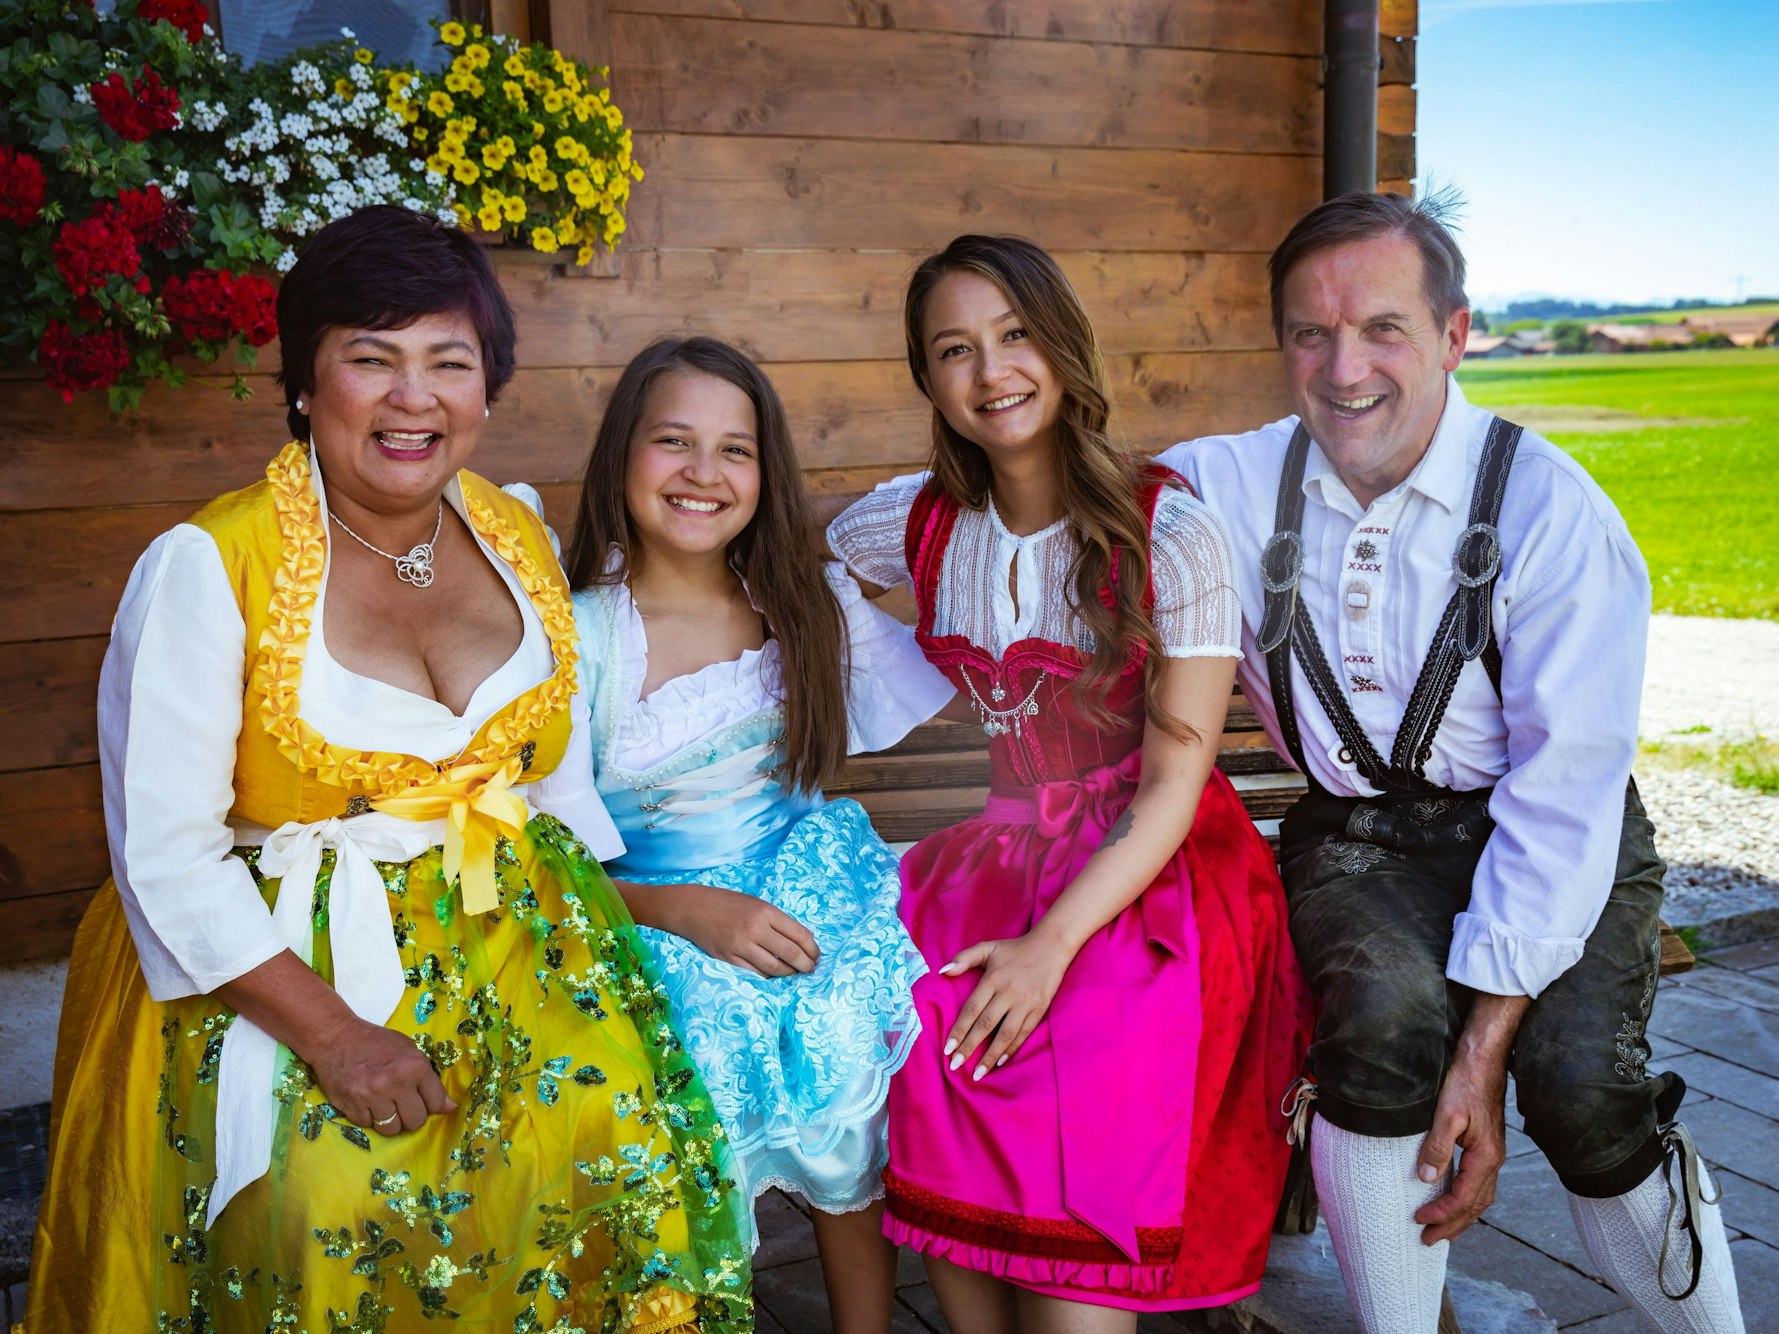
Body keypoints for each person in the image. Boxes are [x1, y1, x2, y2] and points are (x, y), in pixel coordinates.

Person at [24, 206, 751, 1333]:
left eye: (449, 362)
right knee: (337, 1201)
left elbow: (548, 788)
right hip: (281, 959)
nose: (415, 397)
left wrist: (626, 925)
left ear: (487, 387)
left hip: (509, 936)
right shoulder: (211, 564)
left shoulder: (513, 528)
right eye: (372, 358)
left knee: (612, 1150)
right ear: (306, 384)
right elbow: (166, 859)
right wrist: (335, 1036)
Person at [1157, 190, 1745, 1333]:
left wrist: (1483, 1052)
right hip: (1361, 837)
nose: (1345, 369)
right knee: (1380, 1026)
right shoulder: (1217, 484)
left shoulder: (1553, 511)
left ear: (1454, 335)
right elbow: (1056, 503)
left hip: (1550, 824)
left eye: (1383, 328)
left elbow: (1564, 794)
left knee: (1581, 1083)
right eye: (1312, 333)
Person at [826, 234, 1313, 1332]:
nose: (990, 370)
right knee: (923, 1027)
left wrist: (1052, 944)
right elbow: (807, 572)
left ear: (1063, 346)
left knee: (1077, 1055)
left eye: (1014, 335)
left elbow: (1175, 783)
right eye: (953, 348)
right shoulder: (916, 522)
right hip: (998, 852)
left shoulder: (1167, 530)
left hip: (1152, 871)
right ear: (926, 378)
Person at [558, 335, 957, 1333]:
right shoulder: (578, 636)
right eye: (674, 441)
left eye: (735, 450)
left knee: (845, 1034)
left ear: (767, 473)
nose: (704, 472)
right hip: (644, 911)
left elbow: (937, 507)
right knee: (697, 1048)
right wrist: (685, 911)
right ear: (620, 455)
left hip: (807, 879)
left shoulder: (799, 603)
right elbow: (536, 858)